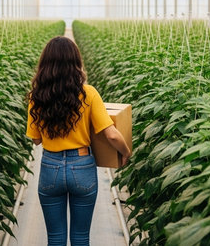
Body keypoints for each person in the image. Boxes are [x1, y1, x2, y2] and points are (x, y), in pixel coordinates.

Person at [26, 36, 131, 246]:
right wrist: (126, 152)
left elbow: (36, 140)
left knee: (55, 238)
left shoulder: (37, 96)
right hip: (82, 167)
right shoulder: (88, 93)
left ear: (45, 64)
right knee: (80, 238)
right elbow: (111, 134)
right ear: (76, 62)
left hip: (50, 167)